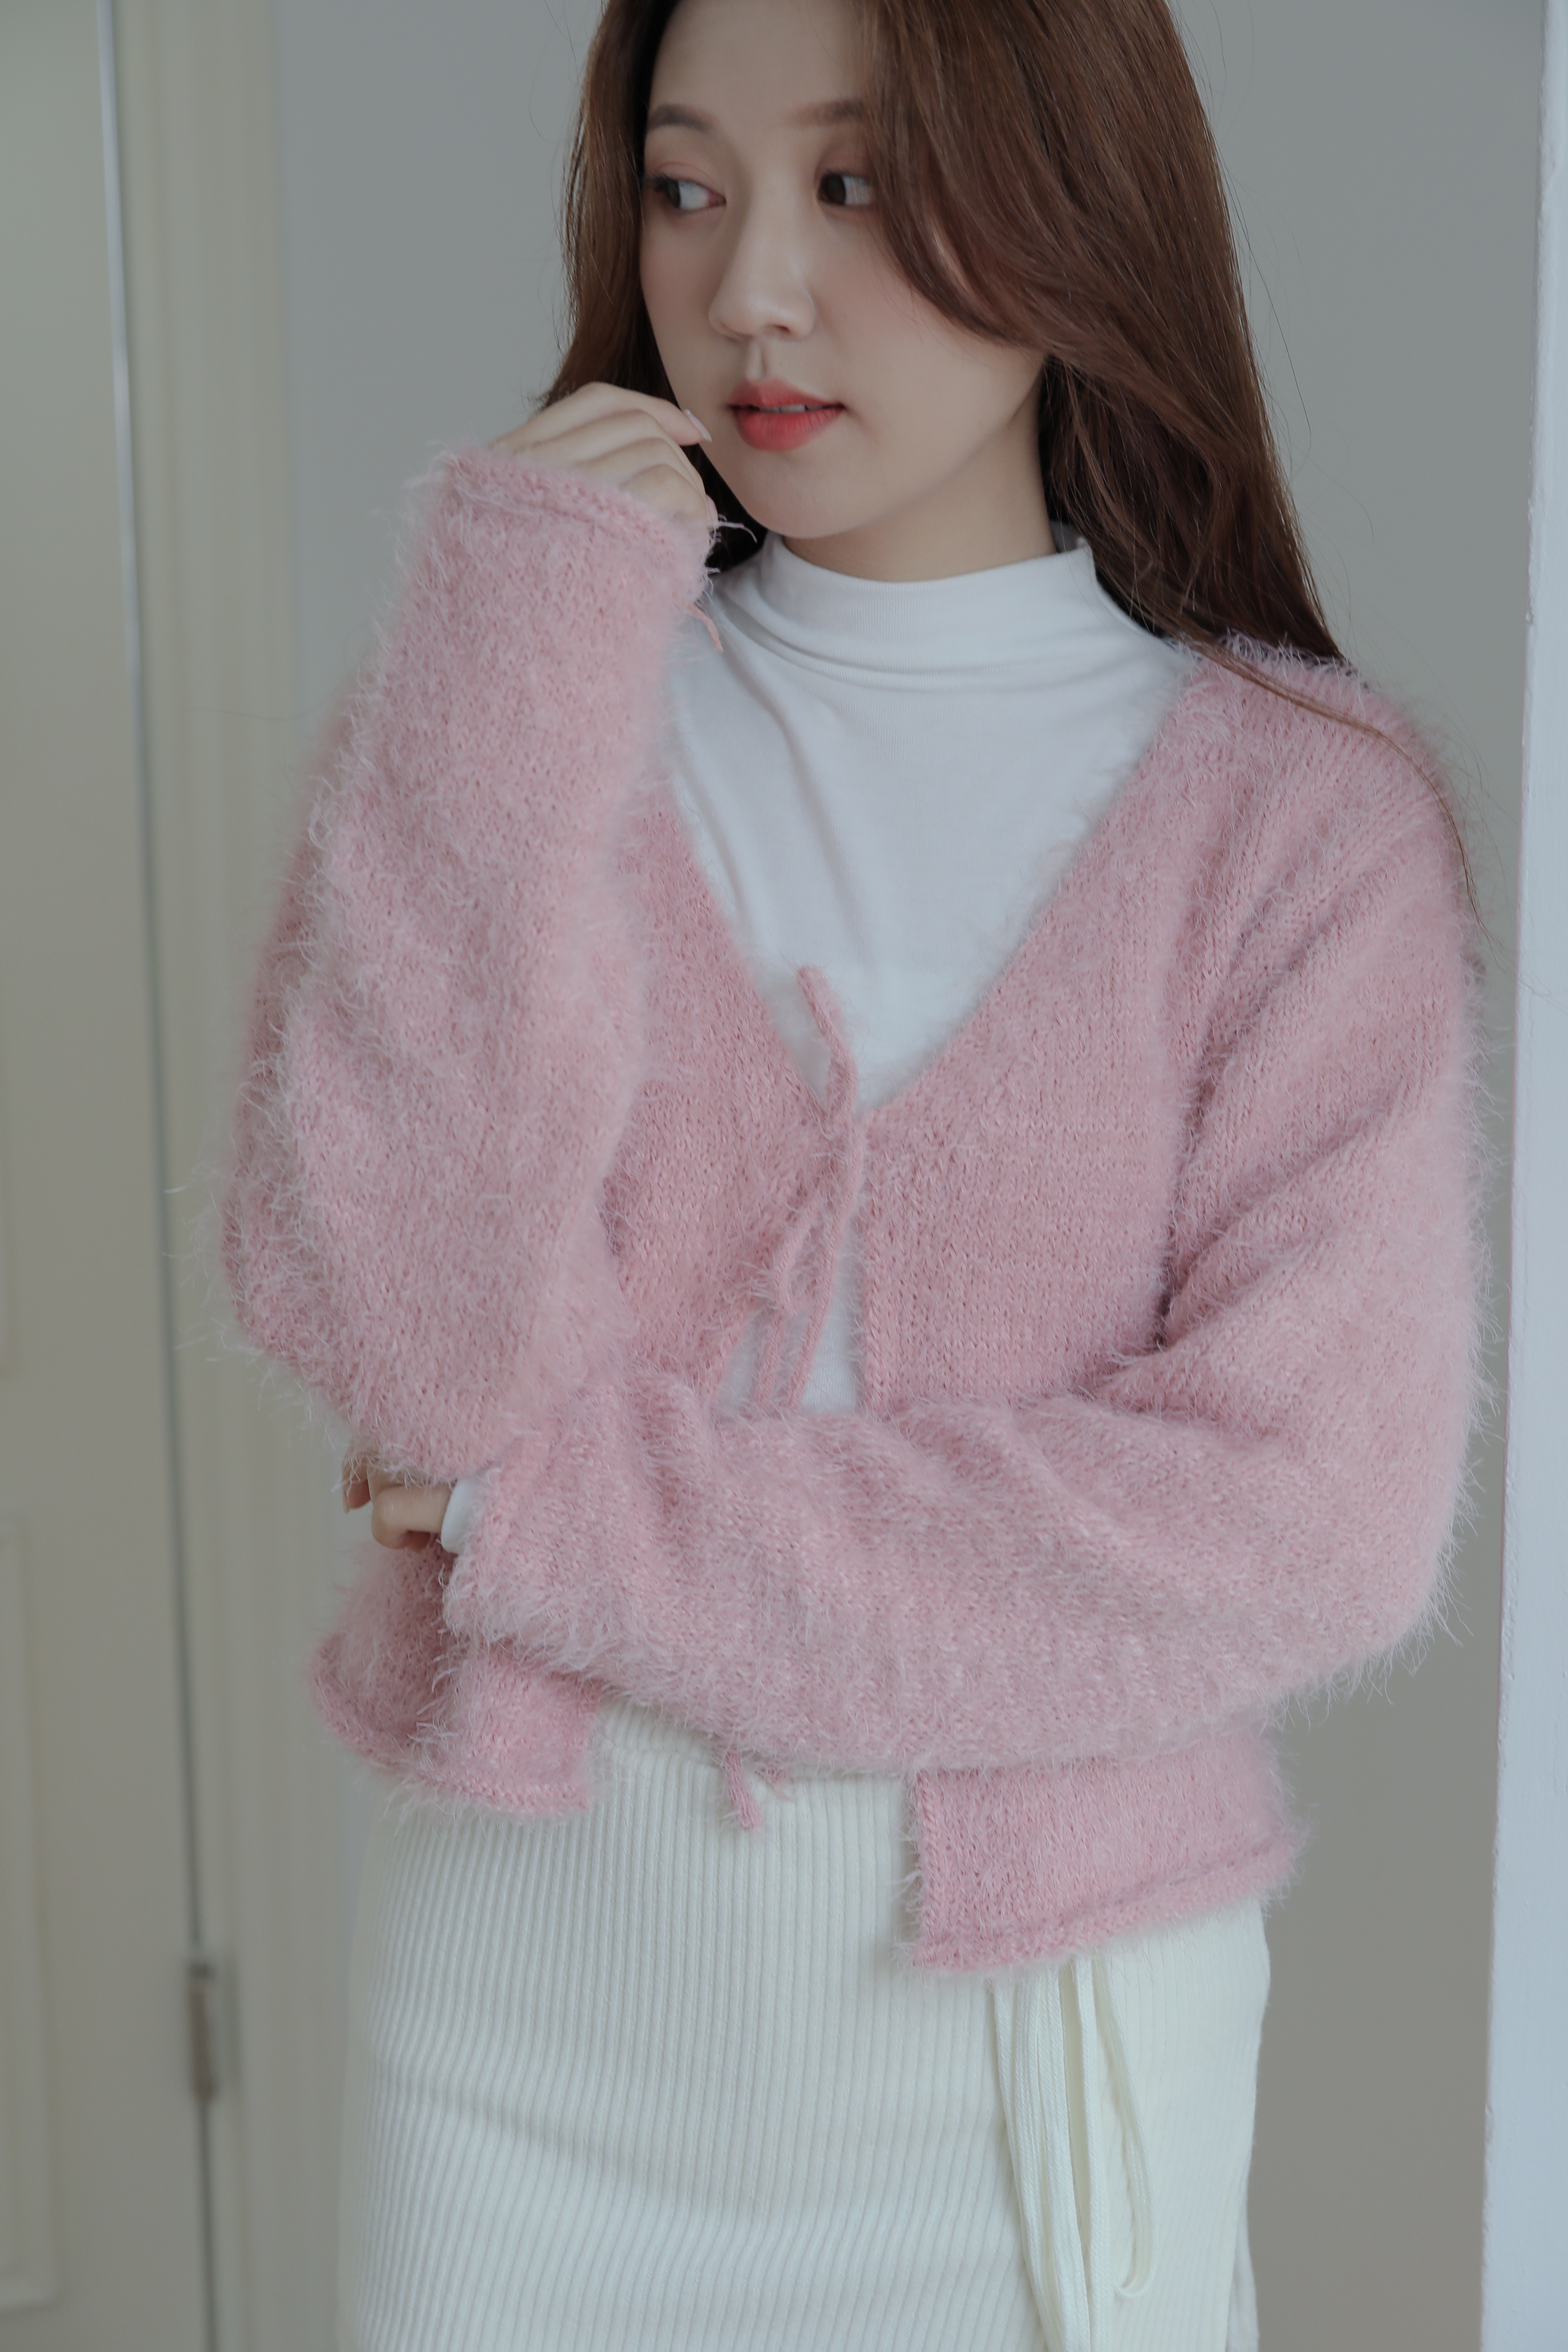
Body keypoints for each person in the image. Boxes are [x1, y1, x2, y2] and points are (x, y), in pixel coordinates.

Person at [222, 0, 1481, 2344]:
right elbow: (396, 1337)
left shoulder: (1307, 824)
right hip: (518, 2029)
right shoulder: (516, 702)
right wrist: (511, 638)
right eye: (686, 189)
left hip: (1035, 2051)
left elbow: (1306, 1518)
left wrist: (548, 1521)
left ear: (1073, 200)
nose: (752, 291)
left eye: (859, 182)